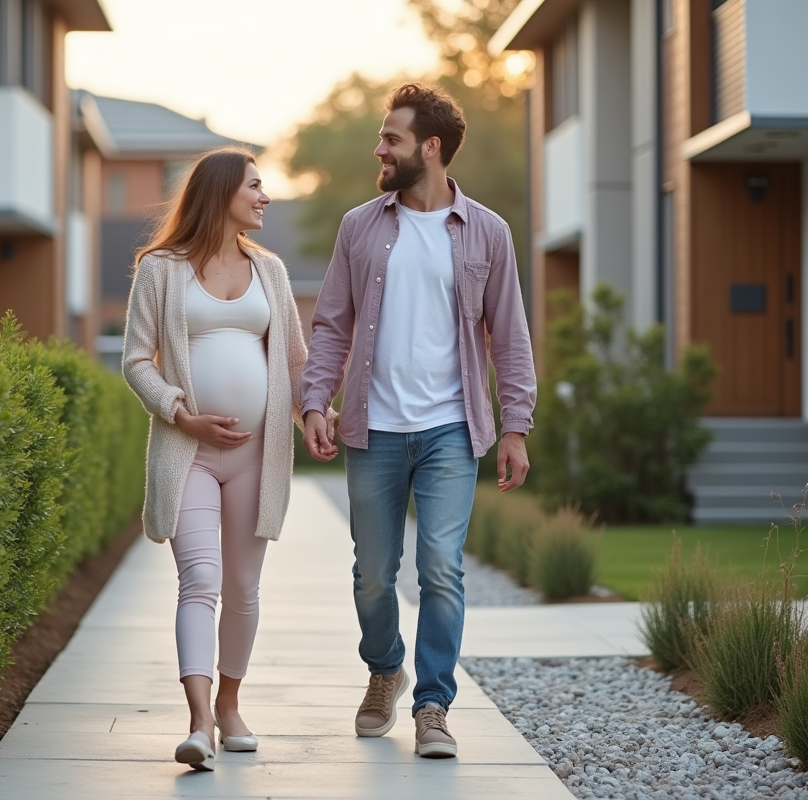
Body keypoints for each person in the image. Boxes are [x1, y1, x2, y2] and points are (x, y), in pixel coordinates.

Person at [300, 83, 537, 758]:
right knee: (373, 574)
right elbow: (332, 324)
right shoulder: (360, 227)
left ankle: (433, 706)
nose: (380, 148)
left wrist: (514, 425)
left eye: (391, 138)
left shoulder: (487, 232)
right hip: (373, 429)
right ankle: (385, 670)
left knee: (441, 567)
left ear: (430, 149)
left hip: (450, 431)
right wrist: (315, 401)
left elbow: (510, 335)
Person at [122, 146, 318, 772]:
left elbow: (293, 363)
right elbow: (136, 360)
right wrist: (182, 413)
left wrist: (316, 415)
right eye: (256, 186)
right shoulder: (160, 268)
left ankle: (231, 705)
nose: (266, 197)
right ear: (222, 192)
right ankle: (200, 720)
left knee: (242, 586)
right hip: (190, 453)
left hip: (256, 457)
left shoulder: (272, 271)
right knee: (200, 582)